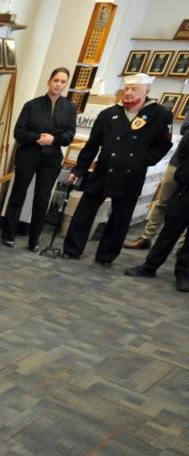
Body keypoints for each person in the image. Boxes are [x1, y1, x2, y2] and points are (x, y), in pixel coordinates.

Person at [62, 73, 173, 266]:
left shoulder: (159, 114)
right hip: (103, 171)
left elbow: (163, 144)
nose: (129, 93)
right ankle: (72, 249)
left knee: (120, 218)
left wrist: (144, 161)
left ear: (146, 91)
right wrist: (80, 168)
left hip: (131, 175)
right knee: (84, 211)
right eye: (127, 88)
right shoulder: (108, 114)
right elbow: (93, 144)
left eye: (134, 89)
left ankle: (106, 256)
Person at [0, 67, 76, 251]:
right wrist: (37, 137)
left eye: (63, 81)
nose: (58, 84)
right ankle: (8, 234)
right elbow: (19, 132)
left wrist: (54, 139)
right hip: (29, 154)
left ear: (66, 84)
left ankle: (34, 239)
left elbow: (69, 135)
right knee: (19, 193)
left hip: (52, 158)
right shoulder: (32, 105)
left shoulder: (70, 107)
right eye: (56, 80)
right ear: (49, 81)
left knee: (42, 198)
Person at [124, 128, 189, 292]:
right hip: (186, 189)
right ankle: (149, 266)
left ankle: (184, 274)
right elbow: (183, 151)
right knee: (170, 230)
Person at [123, 122, 187, 249]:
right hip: (178, 162)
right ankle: (146, 237)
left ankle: (182, 246)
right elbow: (184, 129)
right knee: (162, 202)